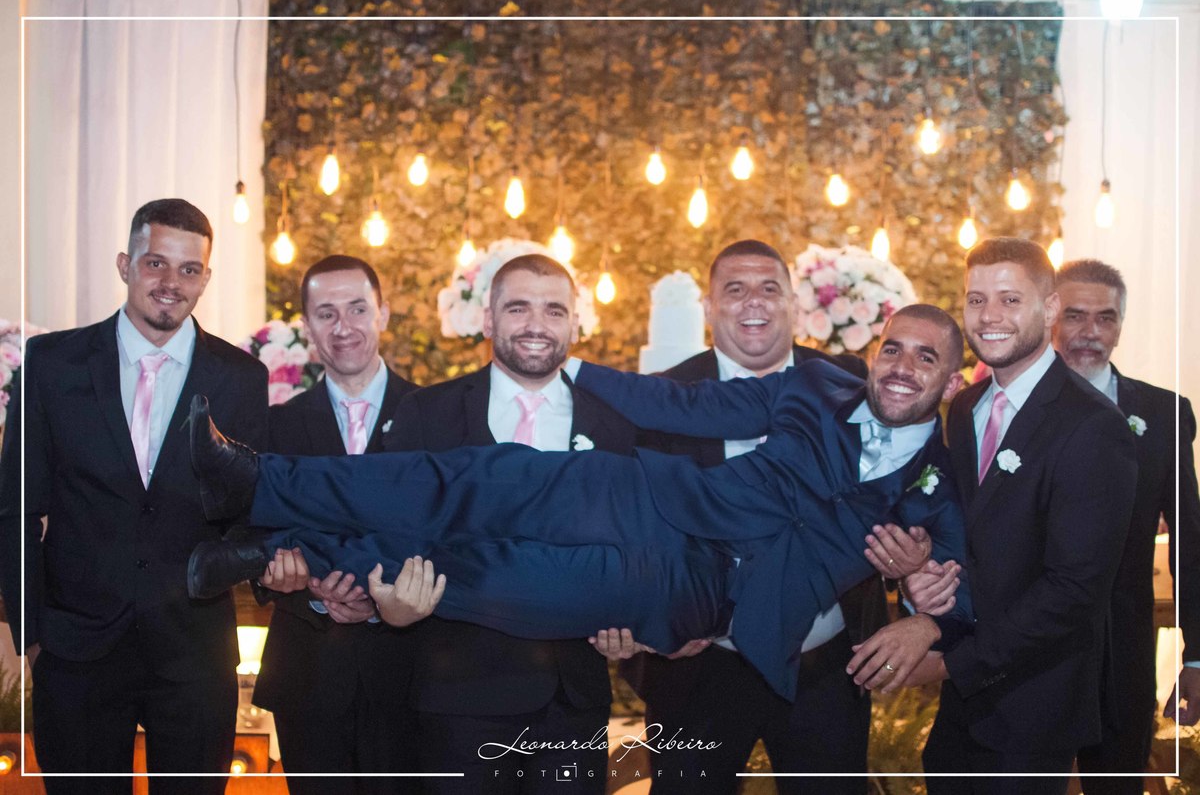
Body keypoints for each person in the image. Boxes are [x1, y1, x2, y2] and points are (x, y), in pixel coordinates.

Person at [187, 303, 973, 707]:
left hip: (694, 593)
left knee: (485, 576)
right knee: (472, 477)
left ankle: (270, 551)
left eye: (926, 357)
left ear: (951, 379)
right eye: (893, 347)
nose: (903, 366)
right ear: (873, 351)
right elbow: (690, 407)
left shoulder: (938, 484)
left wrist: (928, 612)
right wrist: (580, 370)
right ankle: (258, 481)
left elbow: (967, 595)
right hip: (647, 497)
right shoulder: (818, 382)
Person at [0, 199, 268, 793]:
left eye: (189, 269)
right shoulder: (52, 364)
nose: (171, 282)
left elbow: (250, 514)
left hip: (195, 655)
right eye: (155, 263)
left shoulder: (242, 377)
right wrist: (32, 636)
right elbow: (16, 508)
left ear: (205, 278)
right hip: (75, 653)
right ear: (125, 265)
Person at [849, 238, 1137, 791]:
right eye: (976, 300)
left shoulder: (1094, 427)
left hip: (1034, 709)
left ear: (1049, 309)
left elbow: (1074, 592)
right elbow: (964, 537)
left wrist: (947, 660)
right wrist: (918, 573)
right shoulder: (964, 407)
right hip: (963, 712)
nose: (989, 317)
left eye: (1009, 299)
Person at [616, 239, 886, 793]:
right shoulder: (661, 396)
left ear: (793, 303)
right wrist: (654, 620)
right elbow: (633, 525)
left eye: (769, 288)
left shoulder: (849, 385)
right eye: (734, 290)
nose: (753, 302)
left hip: (826, 662)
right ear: (710, 308)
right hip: (698, 664)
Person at [380, 254, 638, 793]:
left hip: (572, 702)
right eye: (518, 308)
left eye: (554, 310)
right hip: (458, 697)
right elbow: (390, 530)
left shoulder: (616, 425)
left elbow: (636, 547)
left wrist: (634, 623)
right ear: (488, 319)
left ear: (575, 325)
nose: (536, 324)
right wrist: (391, 602)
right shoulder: (427, 414)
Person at [250, 255, 419, 792]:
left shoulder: (435, 417)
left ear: (383, 314)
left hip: (412, 677)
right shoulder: (275, 427)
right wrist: (310, 587)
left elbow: (453, 536)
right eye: (326, 313)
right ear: (307, 326)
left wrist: (383, 600)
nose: (343, 327)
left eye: (357, 309)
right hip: (309, 674)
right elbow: (256, 535)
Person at [1050, 258, 1200, 793]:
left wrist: (1196, 657)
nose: (1090, 331)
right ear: (1049, 318)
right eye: (1075, 315)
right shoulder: (1003, 407)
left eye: (1105, 318)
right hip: (1025, 660)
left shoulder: (1163, 414)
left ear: (1120, 326)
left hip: (1123, 657)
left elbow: (1189, 542)